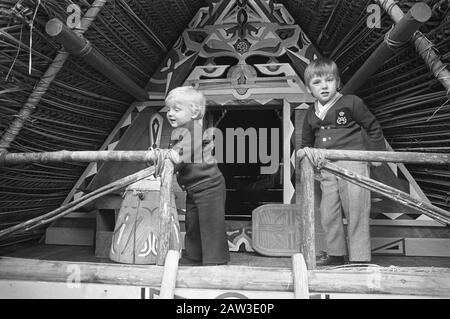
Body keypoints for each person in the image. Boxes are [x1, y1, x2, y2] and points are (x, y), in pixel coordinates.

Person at [301, 58, 386, 266]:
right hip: (327, 168)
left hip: (353, 165)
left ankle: (359, 259)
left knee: (356, 211)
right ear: (309, 88)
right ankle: (336, 255)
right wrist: (307, 157)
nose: (324, 86)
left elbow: (373, 127)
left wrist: (375, 157)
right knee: (328, 213)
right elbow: (305, 142)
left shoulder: (351, 102)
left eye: (329, 80)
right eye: (317, 82)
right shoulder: (310, 113)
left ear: (338, 82)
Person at [164, 86, 230, 266]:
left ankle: (214, 261)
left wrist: (161, 160)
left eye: (176, 110)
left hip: (209, 185)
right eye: (169, 109)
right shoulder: (178, 132)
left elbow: (177, 159)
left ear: (194, 113)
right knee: (193, 224)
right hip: (193, 187)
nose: (170, 113)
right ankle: (194, 257)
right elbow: (171, 153)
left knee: (211, 225)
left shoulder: (193, 132)